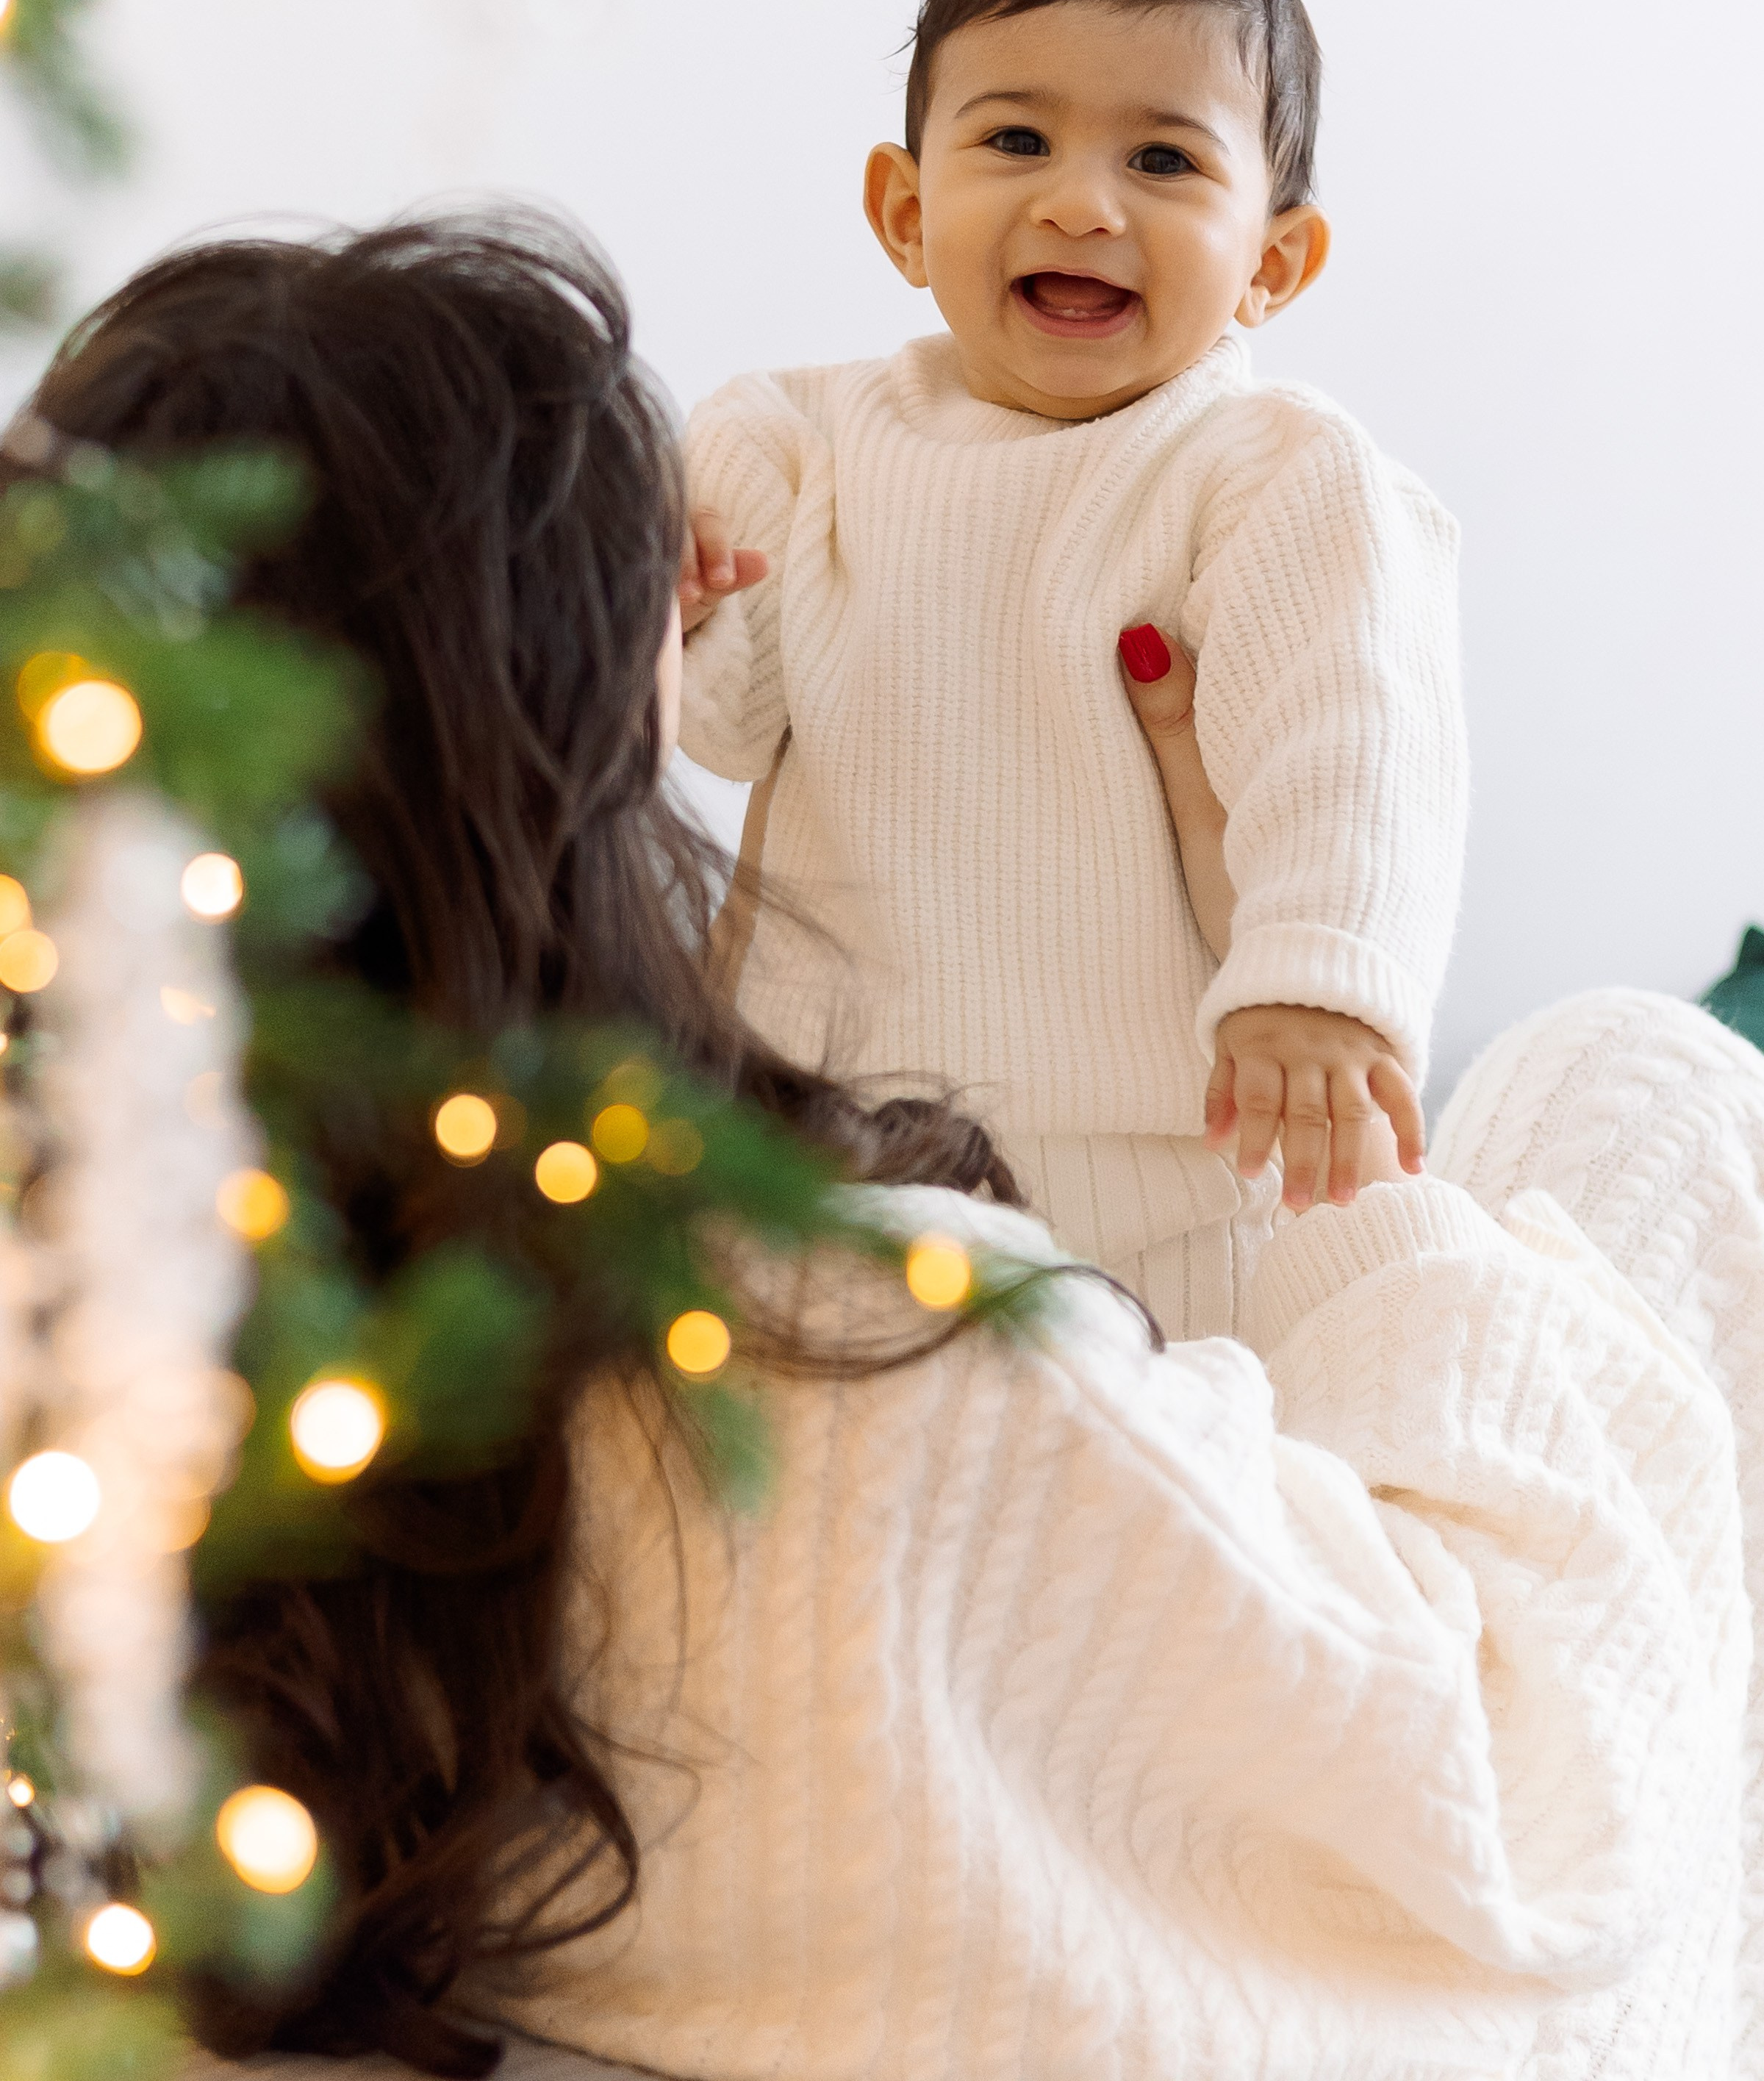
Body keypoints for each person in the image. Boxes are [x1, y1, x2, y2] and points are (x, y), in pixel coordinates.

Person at [35, 214, 1748, 2080]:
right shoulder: (853, 1343)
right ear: (603, 701)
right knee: (1626, 1082)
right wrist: (1351, 1189)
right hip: (1210, 1529)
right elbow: (1505, 1813)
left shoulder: (119, 1331)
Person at [676, 0, 1466, 1344]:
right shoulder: (794, 440)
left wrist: (1320, 984)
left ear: (1274, 261)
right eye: (1017, 138)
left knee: (1146, 1511)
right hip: (827, 1169)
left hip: (1166, 1203)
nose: (1082, 203)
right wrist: (676, 603)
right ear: (905, 212)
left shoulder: (1269, 472)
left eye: (1165, 163)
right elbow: (719, 728)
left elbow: (1355, 742)